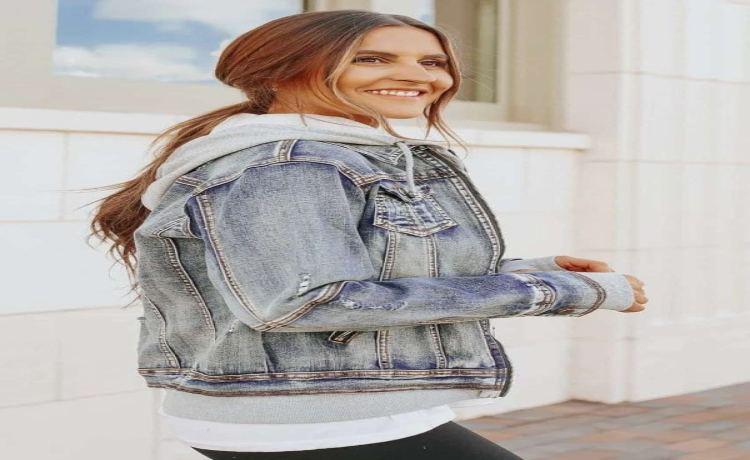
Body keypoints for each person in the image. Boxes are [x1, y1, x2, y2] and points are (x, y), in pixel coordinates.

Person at [88, 9, 648, 460]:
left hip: (327, 405)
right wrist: (553, 293)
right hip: (309, 417)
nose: (419, 76)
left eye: (432, 62)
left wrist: (532, 271)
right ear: (281, 72)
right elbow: (306, 299)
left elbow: (366, 270)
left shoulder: (340, 154)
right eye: (372, 59)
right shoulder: (289, 164)